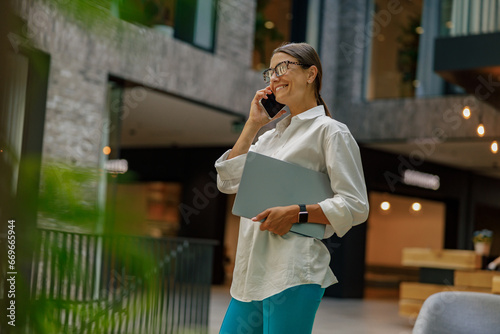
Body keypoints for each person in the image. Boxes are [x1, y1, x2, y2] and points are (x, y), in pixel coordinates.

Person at [215, 42, 369, 333]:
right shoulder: (268, 137)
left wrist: (297, 213)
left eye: (283, 67)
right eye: (271, 72)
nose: (274, 77)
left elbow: (356, 205)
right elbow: (227, 182)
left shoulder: (331, 131)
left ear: (311, 74)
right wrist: (252, 124)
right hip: (249, 276)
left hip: (293, 272)